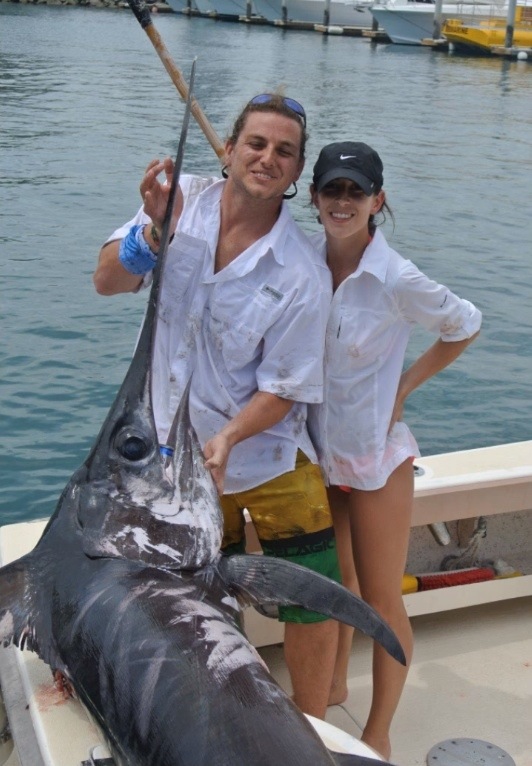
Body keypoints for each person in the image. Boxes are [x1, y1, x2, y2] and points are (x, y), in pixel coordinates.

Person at [93, 94, 341, 720]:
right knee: (198, 600)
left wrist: (229, 438)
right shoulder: (177, 204)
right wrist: (154, 231)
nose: (267, 158)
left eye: (284, 151)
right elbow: (107, 282)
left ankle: (314, 727)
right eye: (255, 144)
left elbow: (284, 387)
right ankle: (217, 716)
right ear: (229, 149)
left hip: (268, 454)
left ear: (296, 172)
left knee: (311, 597)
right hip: (174, 463)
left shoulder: (303, 272)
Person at [308, 141, 482, 757]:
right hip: (316, 454)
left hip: (376, 459)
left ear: (378, 200)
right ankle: (331, 683)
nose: (343, 201)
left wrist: (405, 387)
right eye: (332, 189)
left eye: (357, 191)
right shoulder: (301, 259)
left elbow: (465, 323)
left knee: (381, 597)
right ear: (314, 198)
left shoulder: (396, 277)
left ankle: (378, 732)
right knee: (335, 579)